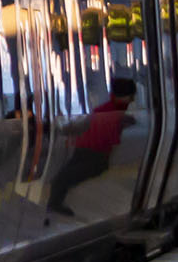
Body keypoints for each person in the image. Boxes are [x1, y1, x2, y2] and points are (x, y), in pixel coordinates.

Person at [44, 75, 137, 216]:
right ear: (123, 96)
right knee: (64, 177)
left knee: (63, 176)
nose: (132, 100)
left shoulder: (106, 110)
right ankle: (54, 203)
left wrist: (63, 129)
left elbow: (82, 125)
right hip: (94, 154)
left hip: (86, 150)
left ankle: (54, 202)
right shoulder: (112, 111)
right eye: (130, 96)